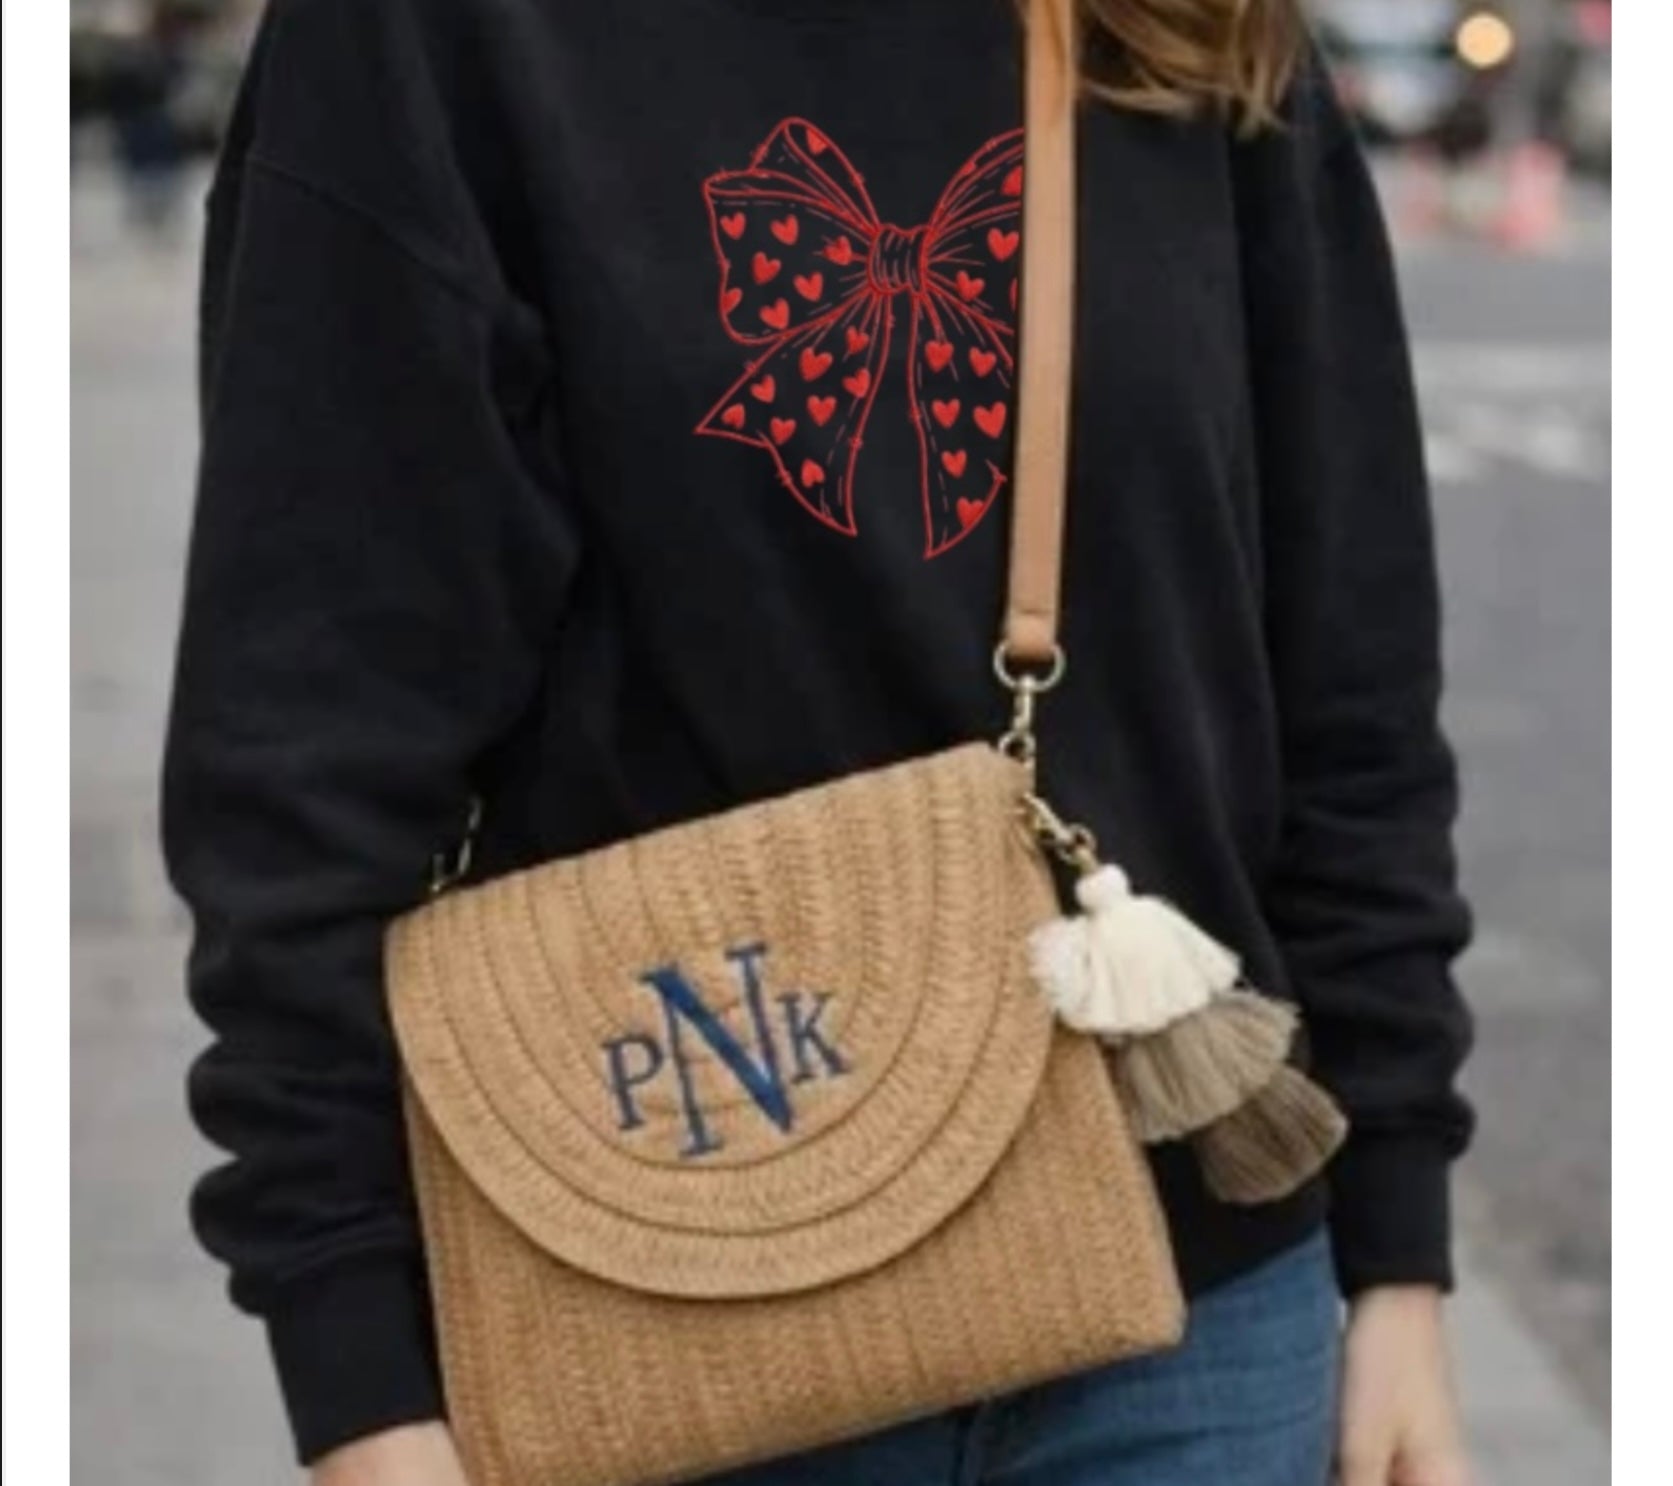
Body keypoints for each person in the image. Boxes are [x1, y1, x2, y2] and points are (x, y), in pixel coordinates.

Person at [161, 2, 1477, 1484]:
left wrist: (1398, 1258)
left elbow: (1346, 672)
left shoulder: (1188, 23)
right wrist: (353, 1363)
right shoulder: (431, 36)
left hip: (1195, 1328)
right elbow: (308, 734)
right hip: (662, 1288)